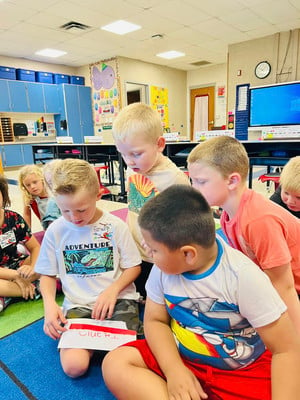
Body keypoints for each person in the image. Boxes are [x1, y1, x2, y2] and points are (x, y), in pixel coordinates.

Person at [102, 185, 300, 400]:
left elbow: (286, 350)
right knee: (116, 363)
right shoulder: (163, 269)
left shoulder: (243, 278)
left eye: (153, 249)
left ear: (188, 254)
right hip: (180, 357)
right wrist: (174, 370)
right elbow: (155, 321)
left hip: (241, 371)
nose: (147, 251)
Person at [34, 159, 142, 378]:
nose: (74, 218)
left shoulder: (115, 226)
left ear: (98, 196)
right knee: (74, 367)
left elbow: (133, 267)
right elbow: (46, 275)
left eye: (82, 209)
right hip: (79, 303)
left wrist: (113, 290)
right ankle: (95, 343)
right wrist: (49, 306)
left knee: (127, 362)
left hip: (119, 299)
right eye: (65, 211)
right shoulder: (56, 230)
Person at [187, 136, 300, 333]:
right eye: (193, 181)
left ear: (232, 181)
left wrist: (294, 343)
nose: (194, 189)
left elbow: (285, 287)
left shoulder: (257, 220)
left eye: (201, 182)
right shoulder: (226, 214)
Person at [112, 102, 190, 298]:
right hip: (135, 252)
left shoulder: (174, 179)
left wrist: (162, 242)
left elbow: (186, 224)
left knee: (163, 301)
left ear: (159, 144)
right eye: (123, 154)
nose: (129, 161)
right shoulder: (134, 167)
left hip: (160, 257)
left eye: (136, 154)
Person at [0, 175, 40, 312]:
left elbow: (35, 248)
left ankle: (8, 295)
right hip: (4, 273)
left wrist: (33, 268)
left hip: (18, 264)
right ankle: (35, 288)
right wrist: (16, 276)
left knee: (49, 256)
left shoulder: (14, 218)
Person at [18, 164, 50, 230]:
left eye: (35, 182)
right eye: (28, 185)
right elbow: (27, 215)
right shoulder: (29, 197)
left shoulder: (52, 192)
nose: (32, 187)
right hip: (48, 229)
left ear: (42, 179)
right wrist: (27, 233)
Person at [42, 160, 62, 228]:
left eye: (58, 180)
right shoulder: (53, 202)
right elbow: (52, 228)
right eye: (51, 183)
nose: (55, 186)